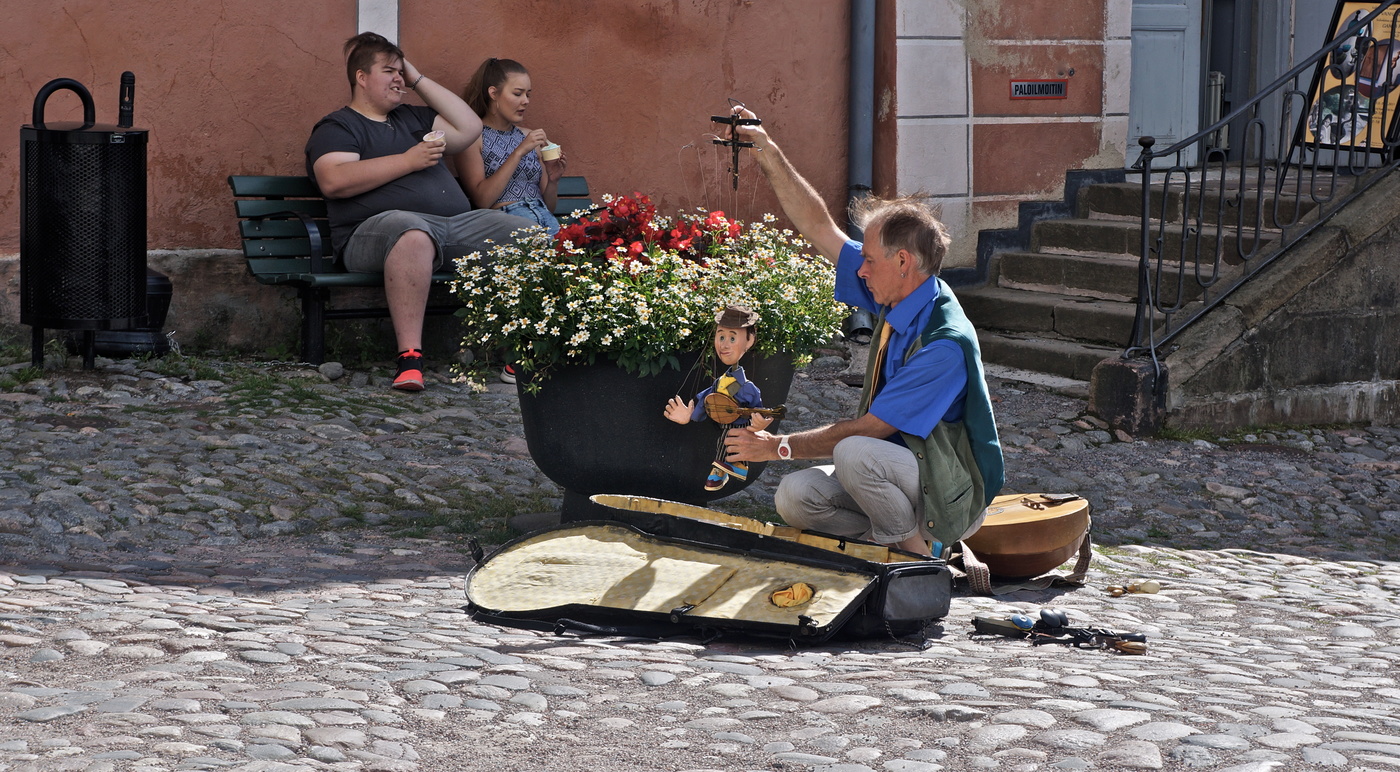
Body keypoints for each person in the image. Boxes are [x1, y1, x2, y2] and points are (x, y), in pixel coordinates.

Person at [719, 107, 1004, 558]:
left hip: (951, 493)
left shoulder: (943, 343)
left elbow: (870, 430)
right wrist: (767, 152)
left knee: (853, 451)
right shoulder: (899, 292)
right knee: (794, 497)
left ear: (902, 262)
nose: (861, 268)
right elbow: (818, 227)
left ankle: (913, 554)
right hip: (895, 472)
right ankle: (880, 544)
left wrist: (778, 447)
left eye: (868, 260)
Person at [306, 33, 534, 391]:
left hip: (451, 226)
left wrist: (414, 77)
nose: (398, 78)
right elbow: (334, 180)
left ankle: (519, 356)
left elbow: (470, 127)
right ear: (361, 78)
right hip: (373, 235)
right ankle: (409, 358)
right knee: (412, 230)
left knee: (525, 233)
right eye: (388, 71)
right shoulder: (339, 126)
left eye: (401, 71)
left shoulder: (414, 118)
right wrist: (407, 162)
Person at [664, 305, 774, 491]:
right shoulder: (720, 382)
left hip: (738, 426)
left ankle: (725, 469)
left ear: (749, 341)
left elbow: (758, 409)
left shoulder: (749, 388)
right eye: (721, 336)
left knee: (729, 440)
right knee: (725, 442)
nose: (724, 344)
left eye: (733, 338)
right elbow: (707, 400)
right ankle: (732, 467)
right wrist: (689, 415)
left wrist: (759, 424)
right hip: (723, 423)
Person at [453, 57, 567, 236]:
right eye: (517, 93)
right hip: (506, 226)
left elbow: (549, 207)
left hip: (545, 221)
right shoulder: (473, 137)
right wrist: (519, 152)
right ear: (493, 93)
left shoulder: (528, 137)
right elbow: (483, 200)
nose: (526, 101)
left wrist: (553, 180)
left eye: (528, 94)